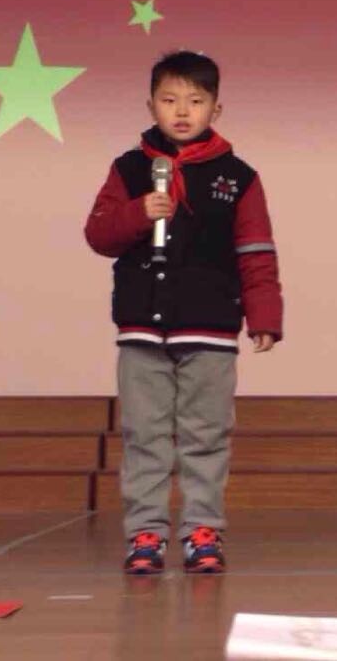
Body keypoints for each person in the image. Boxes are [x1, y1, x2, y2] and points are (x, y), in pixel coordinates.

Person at [85, 50, 283, 574]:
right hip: (142, 332)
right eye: (169, 99)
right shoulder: (129, 169)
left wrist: (264, 316)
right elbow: (99, 235)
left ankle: (202, 531)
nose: (181, 111)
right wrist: (138, 212)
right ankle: (145, 535)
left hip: (211, 329)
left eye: (195, 101)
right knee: (144, 435)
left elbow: (255, 251)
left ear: (216, 109)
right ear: (150, 105)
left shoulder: (238, 177)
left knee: (206, 435)